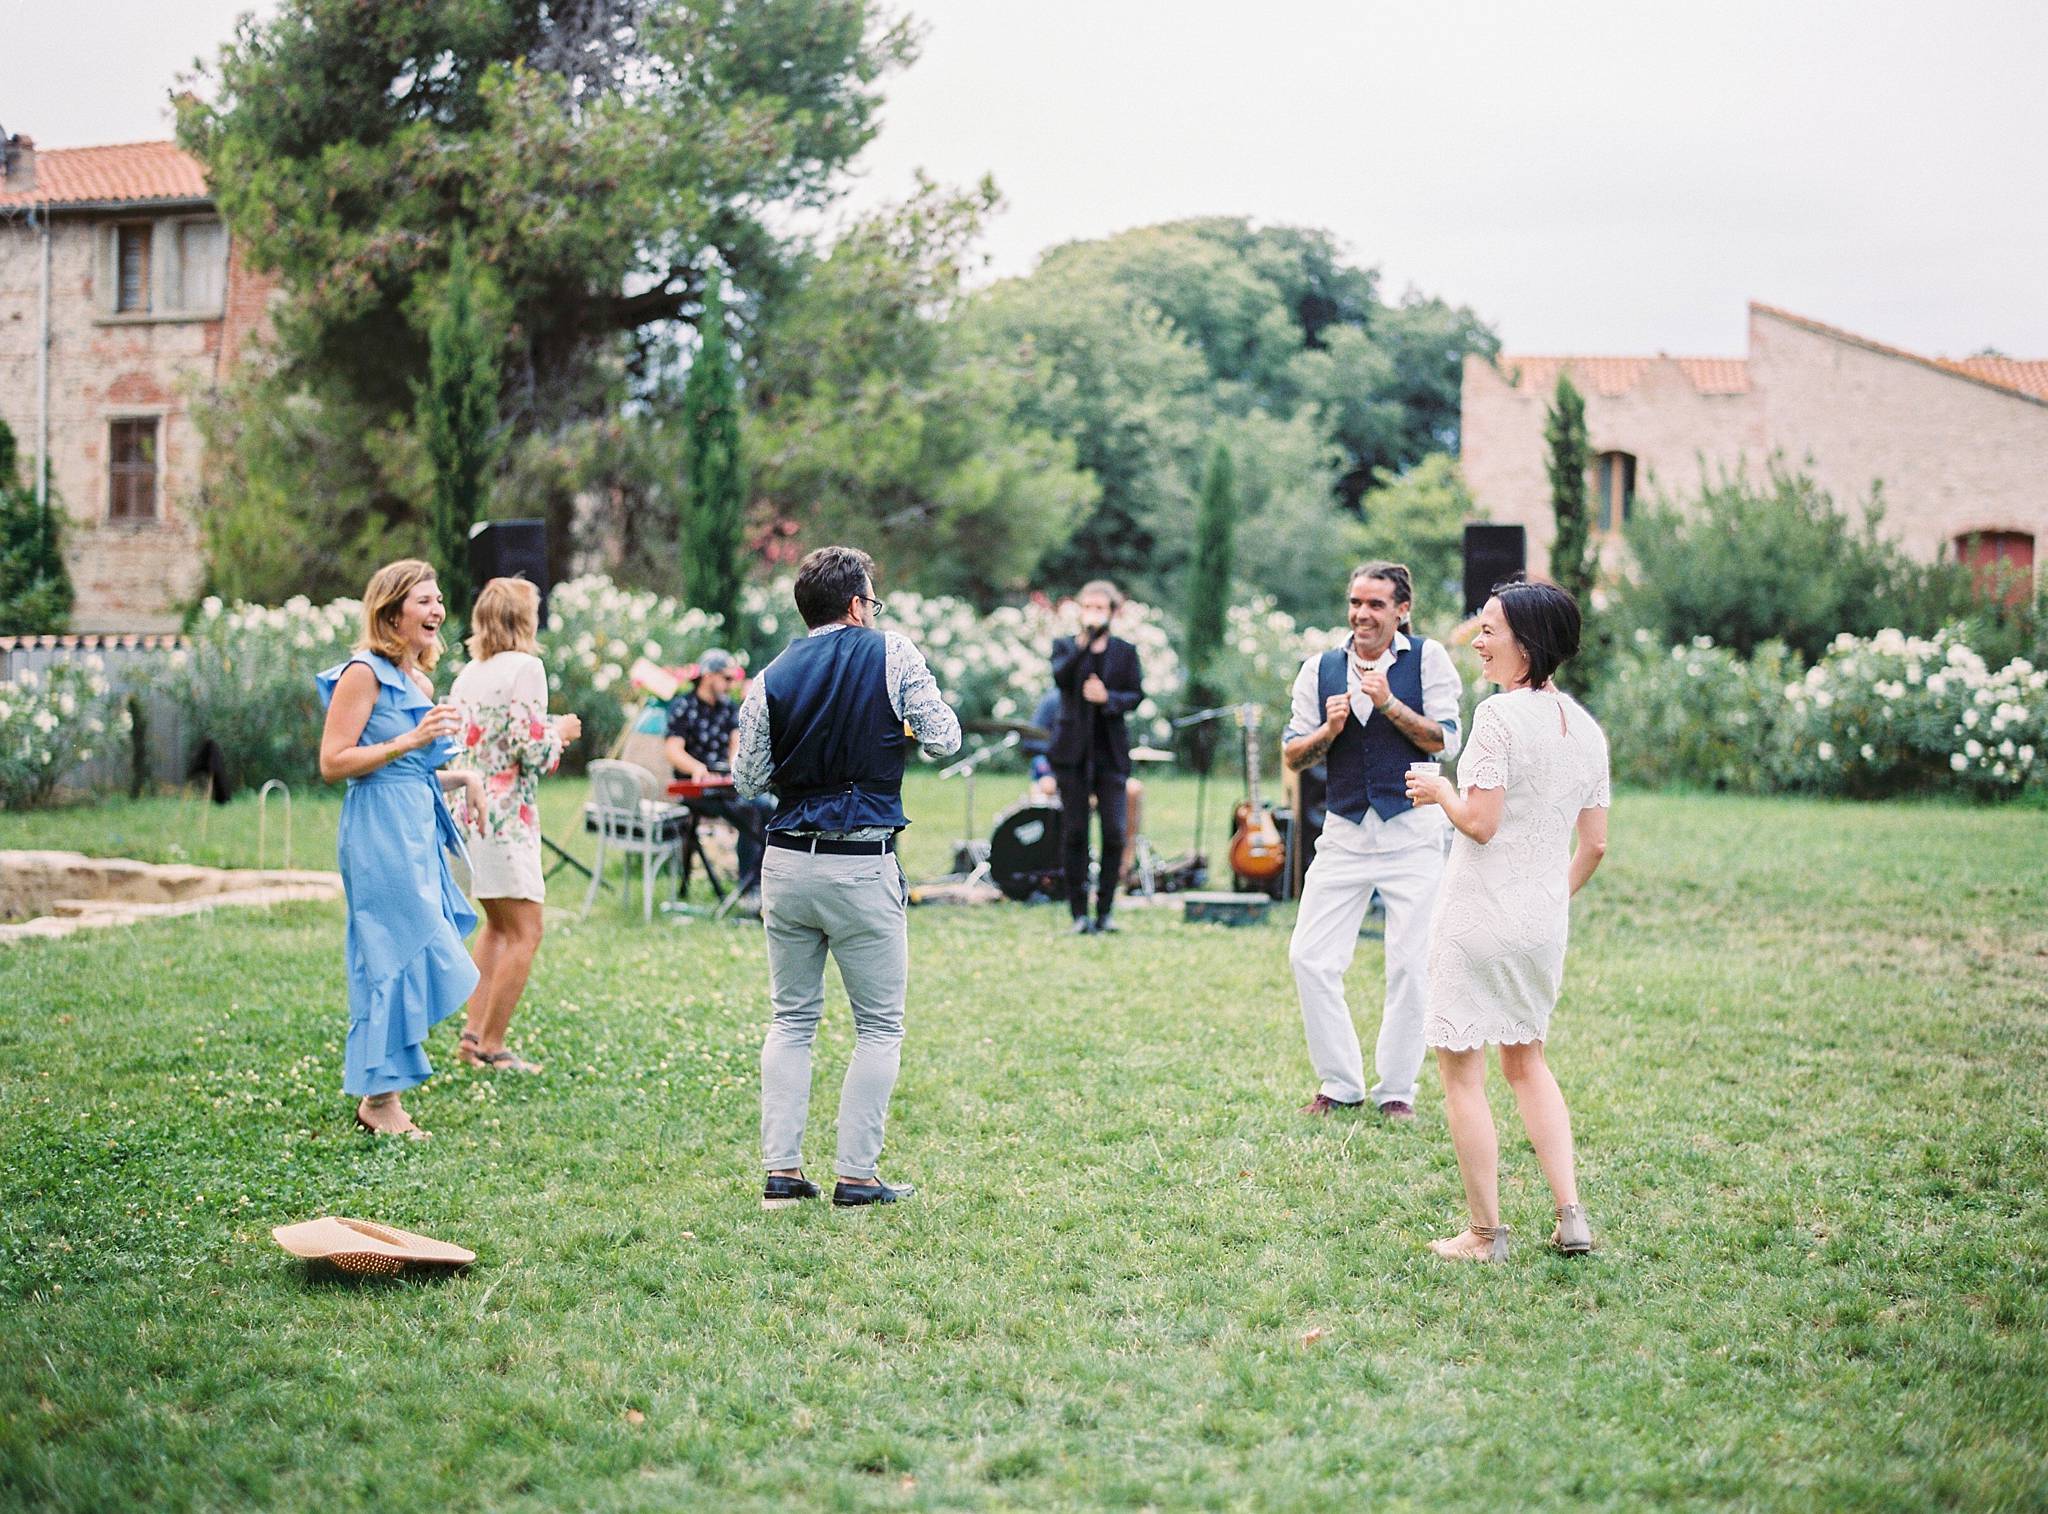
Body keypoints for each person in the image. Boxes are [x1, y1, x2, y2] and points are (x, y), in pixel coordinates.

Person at [734, 546, 961, 1209]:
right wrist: (902, 728)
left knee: (793, 1020)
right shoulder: (893, 654)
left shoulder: (769, 676)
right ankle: (857, 1177)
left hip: (785, 863)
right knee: (879, 1028)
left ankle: (781, 1173)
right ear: (858, 605)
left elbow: (748, 779)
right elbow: (944, 737)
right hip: (861, 863)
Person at [1405, 580, 1609, 1261]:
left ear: (1529, 644)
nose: (1479, 640)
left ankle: (1484, 1233)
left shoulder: (1497, 717)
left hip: (1477, 916)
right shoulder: (1586, 728)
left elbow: (1482, 824)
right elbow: (1597, 844)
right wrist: (1552, 898)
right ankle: (1571, 1214)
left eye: (1491, 629)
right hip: (1540, 925)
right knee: (1528, 1062)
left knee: (1462, 1073)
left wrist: (1440, 791)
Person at [1282, 562, 1465, 1121]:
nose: (1362, 614)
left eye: (1376, 604)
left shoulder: (1428, 658)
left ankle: (1397, 1090)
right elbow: (1292, 753)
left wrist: (1388, 704)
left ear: (1401, 610)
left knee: (1410, 965)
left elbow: (1447, 741)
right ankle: (1340, 1082)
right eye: (1356, 602)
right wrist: (1328, 732)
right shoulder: (1320, 668)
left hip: (1412, 831)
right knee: (1309, 956)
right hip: (1343, 831)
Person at [315, 560, 485, 1140]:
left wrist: (465, 780)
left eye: (440, 601)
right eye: (424, 601)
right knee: (392, 953)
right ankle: (378, 1099)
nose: (438, 611)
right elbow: (333, 763)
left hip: (414, 826)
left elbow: (412, 773)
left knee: (418, 947)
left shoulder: (419, 682)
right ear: (391, 611)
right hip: (376, 832)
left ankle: (383, 1090)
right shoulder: (362, 673)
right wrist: (410, 738)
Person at [447, 577, 582, 1074]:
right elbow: (531, 753)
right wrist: (561, 733)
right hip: (507, 819)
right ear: (522, 619)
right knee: (526, 931)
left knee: (498, 926)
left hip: (469, 814)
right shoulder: (527, 669)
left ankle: (470, 1036)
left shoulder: (468, 673)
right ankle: (493, 1045)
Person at [1048, 581, 1144, 934]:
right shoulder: (1065, 647)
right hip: (1072, 753)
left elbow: (1136, 694)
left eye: (1100, 608)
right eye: (1087, 606)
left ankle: (1105, 910)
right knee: (1075, 833)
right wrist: (1083, 645)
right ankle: (1078, 913)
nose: (1092, 613)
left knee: (1115, 833)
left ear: (1113, 612)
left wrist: (1109, 698)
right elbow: (1060, 678)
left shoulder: (1124, 651)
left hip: (1110, 754)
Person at [664, 647, 773, 904]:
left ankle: (758, 880)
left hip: (725, 784)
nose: (730, 684)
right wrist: (696, 769)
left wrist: (734, 766)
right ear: (708, 675)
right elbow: (673, 750)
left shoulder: (728, 709)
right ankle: (748, 888)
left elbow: (735, 745)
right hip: (695, 789)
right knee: (749, 812)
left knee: (769, 808)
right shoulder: (683, 707)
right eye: (726, 678)